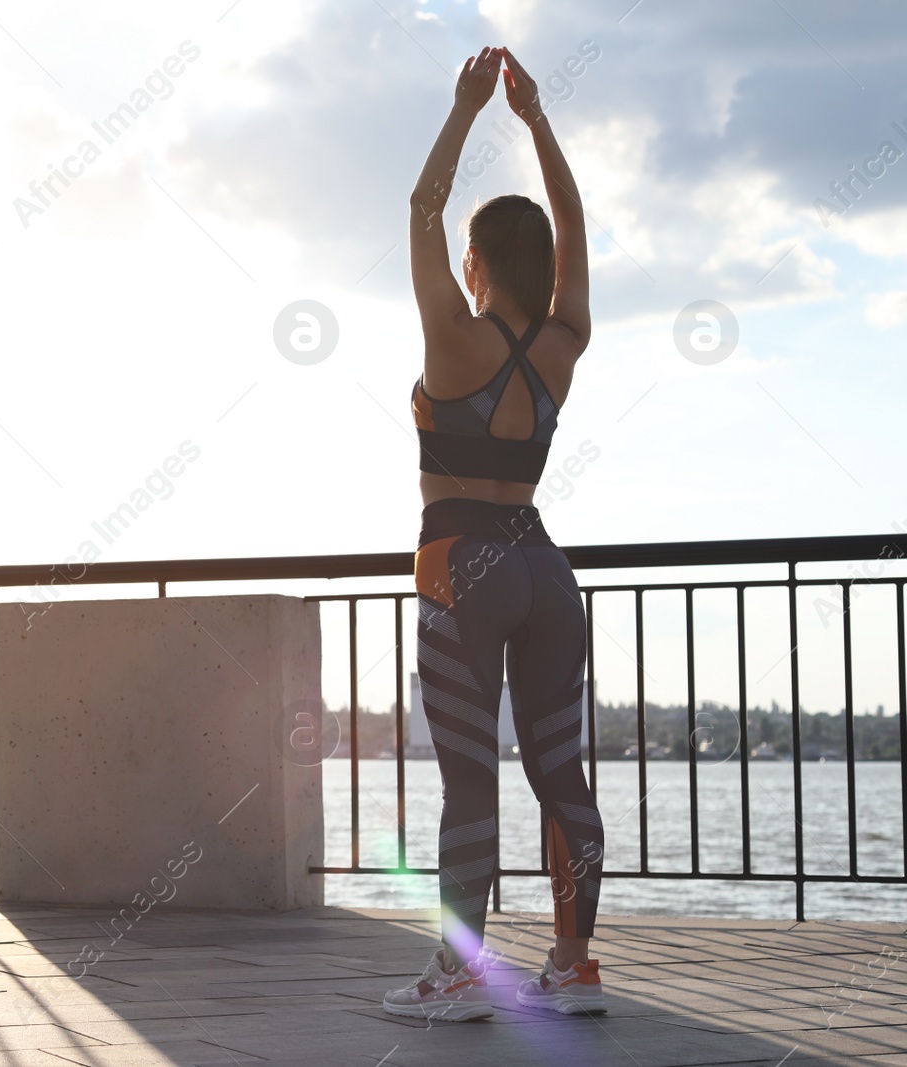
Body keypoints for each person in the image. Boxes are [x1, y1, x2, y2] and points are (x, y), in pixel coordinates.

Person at [380, 45, 606, 1022]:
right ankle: (572, 962)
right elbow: (578, 232)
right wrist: (538, 124)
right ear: (546, 266)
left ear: (475, 263)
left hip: (462, 562)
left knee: (469, 777)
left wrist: (467, 108)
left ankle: (461, 970)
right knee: (563, 773)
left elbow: (421, 210)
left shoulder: (453, 337)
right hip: (545, 566)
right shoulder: (564, 344)